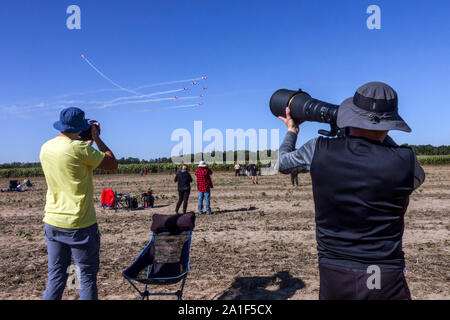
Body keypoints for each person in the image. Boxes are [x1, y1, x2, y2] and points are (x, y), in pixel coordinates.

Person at [277, 82, 425, 300]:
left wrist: (292, 131)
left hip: (334, 273)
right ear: (390, 122)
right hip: (384, 276)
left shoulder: (318, 149)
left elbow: (283, 163)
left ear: (351, 116)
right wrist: (376, 132)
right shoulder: (405, 161)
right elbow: (414, 177)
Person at [39, 107, 118, 300]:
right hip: (79, 224)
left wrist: (87, 140)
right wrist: (96, 138)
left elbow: (76, 155)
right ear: (80, 127)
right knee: (86, 277)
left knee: (56, 276)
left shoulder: (46, 147)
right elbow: (111, 163)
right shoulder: (79, 149)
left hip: (53, 221)